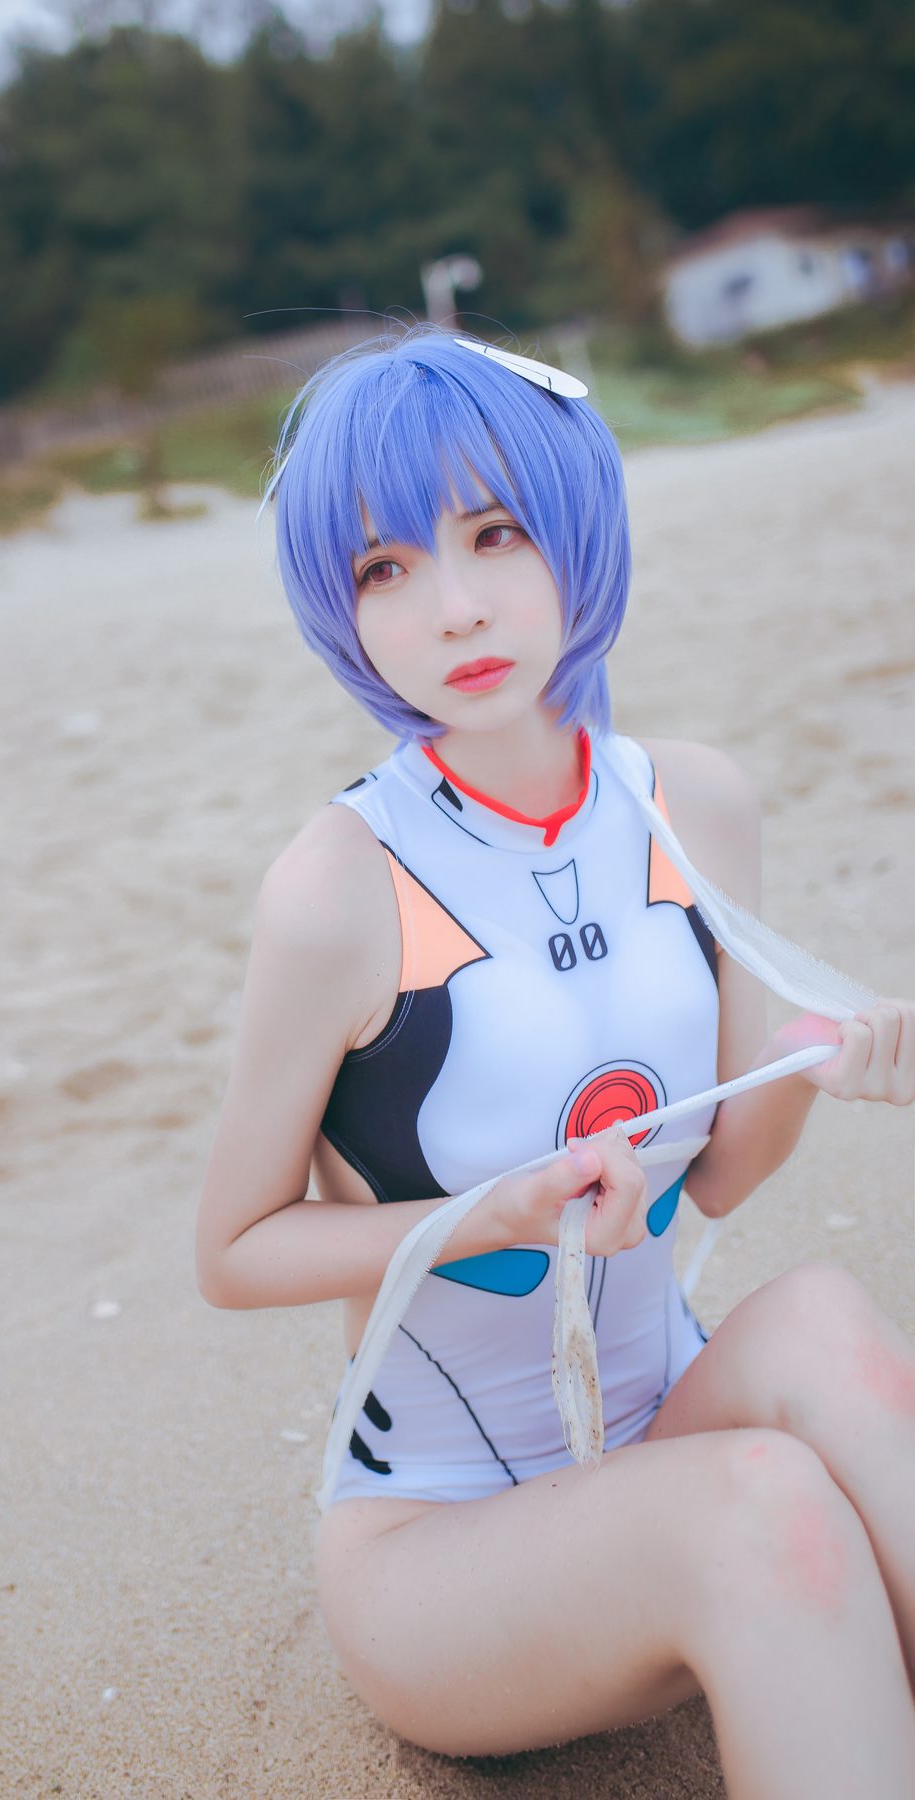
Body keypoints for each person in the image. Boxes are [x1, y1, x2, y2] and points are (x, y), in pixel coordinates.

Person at [194, 326, 915, 1795]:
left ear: (575, 529)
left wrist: (807, 1059)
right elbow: (234, 1250)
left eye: (495, 533)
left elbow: (721, 1179)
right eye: (384, 567)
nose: (453, 606)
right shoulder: (340, 887)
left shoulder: (689, 805)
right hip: (442, 1540)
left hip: (660, 1419)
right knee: (761, 1503)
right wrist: (494, 1213)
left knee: (824, 1322)